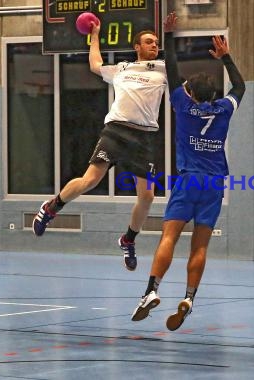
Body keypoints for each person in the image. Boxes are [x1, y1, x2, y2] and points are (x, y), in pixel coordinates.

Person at [130, 12, 245, 331]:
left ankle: (151, 291)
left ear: (191, 93)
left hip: (187, 180)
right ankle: (190, 297)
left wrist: (169, 37)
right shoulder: (223, 109)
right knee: (201, 245)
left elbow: (173, 67)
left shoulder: (183, 105)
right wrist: (226, 57)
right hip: (215, 184)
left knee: (169, 237)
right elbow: (240, 86)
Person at [32, 21, 167, 272]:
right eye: (149, 42)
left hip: (145, 137)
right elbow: (95, 64)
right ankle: (52, 207)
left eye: (157, 43)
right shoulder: (122, 68)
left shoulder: (163, 69)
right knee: (90, 180)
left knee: (147, 197)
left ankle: (128, 240)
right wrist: (94, 35)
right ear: (137, 46)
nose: (154, 46)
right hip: (116, 130)